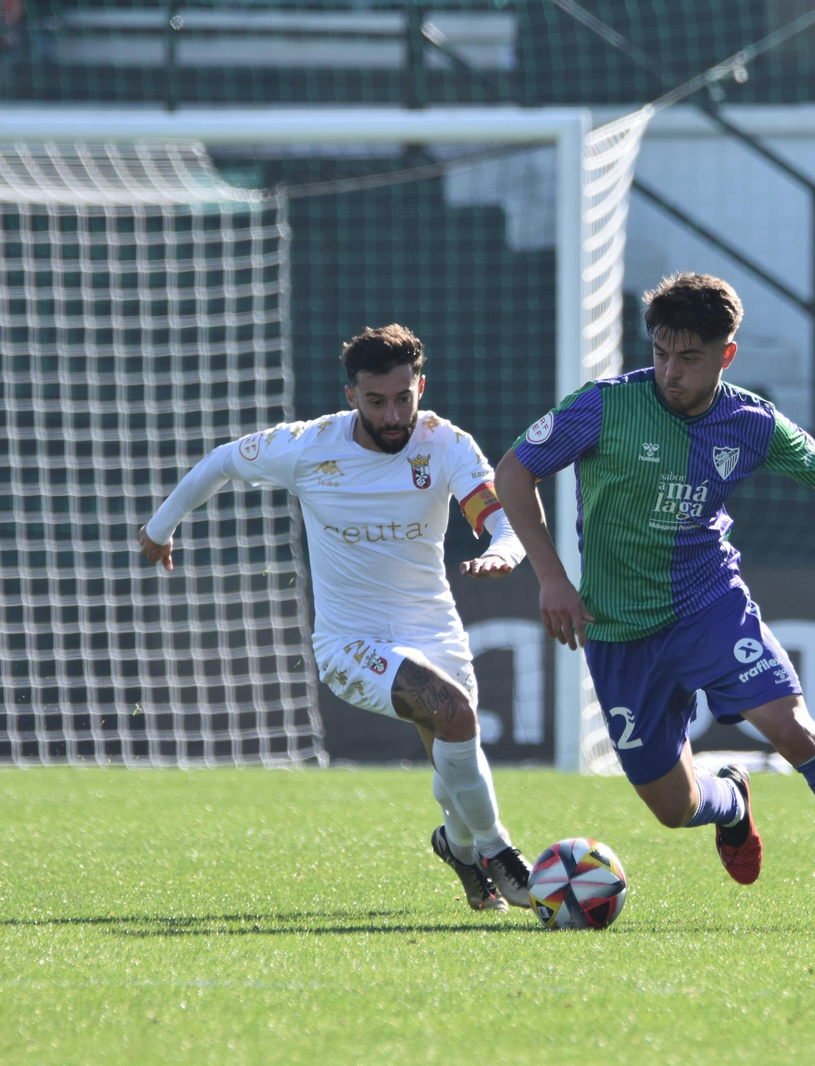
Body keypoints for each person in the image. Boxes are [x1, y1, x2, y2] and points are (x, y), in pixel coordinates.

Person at [495, 272, 815, 929]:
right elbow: (514, 471)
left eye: (689, 358)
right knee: (673, 807)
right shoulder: (603, 406)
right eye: (660, 352)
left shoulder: (750, 421)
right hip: (618, 631)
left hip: (709, 605)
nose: (670, 371)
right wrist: (550, 577)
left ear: (727, 354)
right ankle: (732, 804)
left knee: (793, 731)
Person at [138, 325, 535, 913]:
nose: (394, 413)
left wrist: (504, 550)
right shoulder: (308, 446)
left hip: (433, 630)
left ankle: (457, 847)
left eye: (404, 396)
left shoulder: (444, 443)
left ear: (420, 386)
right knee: (452, 712)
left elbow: (497, 516)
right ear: (352, 396)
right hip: (350, 644)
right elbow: (222, 462)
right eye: (377, 401)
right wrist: (159, 529)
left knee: (451, 747)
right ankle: (503, 857)